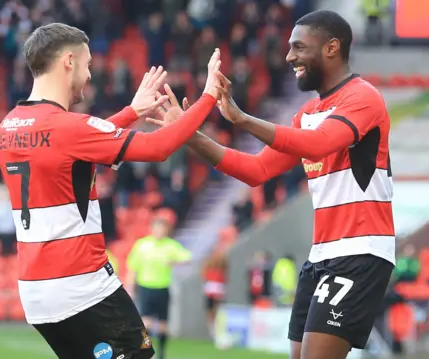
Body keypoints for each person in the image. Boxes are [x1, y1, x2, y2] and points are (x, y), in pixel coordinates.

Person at [149, 10, 395, 359]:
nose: (289, 56)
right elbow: (256, 170)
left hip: (359, 252)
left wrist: (241, 118)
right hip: (322, 255)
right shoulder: (307, 112)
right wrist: (187, 133)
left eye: (299, 47)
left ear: (331, 48)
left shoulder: (362, 97)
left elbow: (317, 144)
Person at [0, 23, 222, 359]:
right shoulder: (68, 126)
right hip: (80, 284)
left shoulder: (9, 126)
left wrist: (132, 113)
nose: (89, 76)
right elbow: (157, 148)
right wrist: (209, 98)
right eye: (87, 65)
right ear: (68, 61)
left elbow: (69, 149)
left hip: (37, 290)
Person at [125, 217, 192, 359]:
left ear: (167, 230)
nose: (160, 231)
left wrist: (174, 261)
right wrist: (130, 287)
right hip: (146, 287)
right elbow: (133, 268)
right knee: (146, 322)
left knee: (162, 324)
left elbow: (187, 257)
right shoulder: (142, 245)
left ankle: (161, 353)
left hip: (162, 288)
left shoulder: (170, 245)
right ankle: (146, 351)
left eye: (163, 229)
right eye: (157, 228)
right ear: (152, 229)